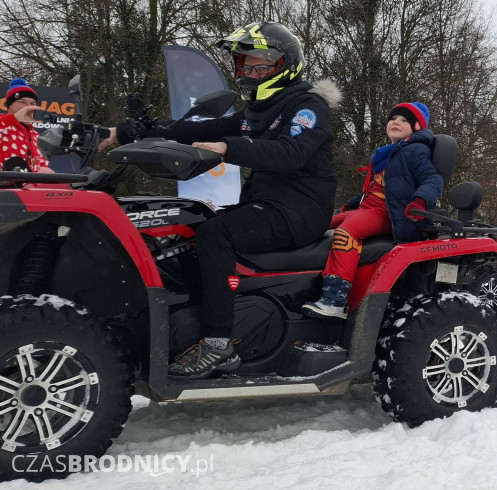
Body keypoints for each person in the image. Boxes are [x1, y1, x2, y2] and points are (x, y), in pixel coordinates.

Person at [103, 22, 339, 379]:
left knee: (216, 234)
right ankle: (187, 325)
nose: (250, 73)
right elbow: (198, 129)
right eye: (245, 65)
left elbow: (291, 153)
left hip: (300, 210)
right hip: (266, 203)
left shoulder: (307, 106)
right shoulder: (260, 109)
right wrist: (125, 131)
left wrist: (229, 148)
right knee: (189, 223)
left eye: (260, 66)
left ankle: (218, 345)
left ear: (285, 65)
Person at [302, 102, 443, 319]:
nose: (396, 122)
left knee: (346, 233)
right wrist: (351, 204)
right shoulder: (384, 155)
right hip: (368, 208)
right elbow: (374, 190)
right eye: (393, 118)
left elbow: (432, 179)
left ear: (417, 127)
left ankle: (336, 298)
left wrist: (419, 201)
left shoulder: (415, 150)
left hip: (390, 213)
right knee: (317, 224)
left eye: (404, 120)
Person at [0, 78, 54, 173]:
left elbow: (41, 166)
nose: (28, 106)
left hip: (28, 182)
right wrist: (16, 117)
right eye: (22, 102)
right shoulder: (3, 124)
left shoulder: (36, 136)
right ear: (9, 105)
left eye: (32, 103)